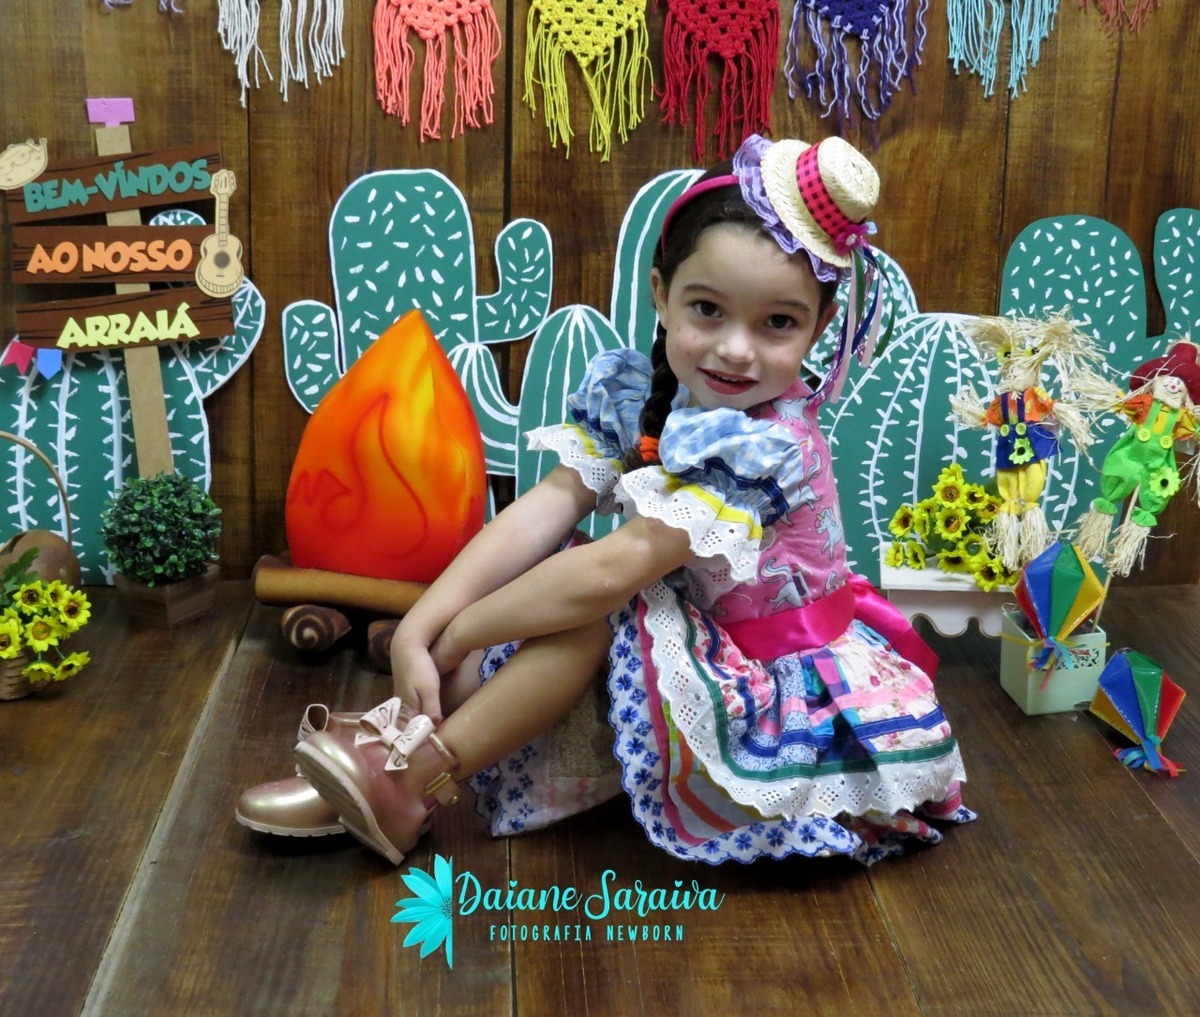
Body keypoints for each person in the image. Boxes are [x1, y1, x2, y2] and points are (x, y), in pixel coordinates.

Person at [243, 133, 975, 866]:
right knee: (545, 576)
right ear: (661, 294)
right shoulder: (648, 395)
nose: (735, 349)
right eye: (707, 309)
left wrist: (463, 629)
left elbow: (608, 573)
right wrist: (420, 625)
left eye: (777, 322)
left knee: (595, 603)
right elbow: (547, 507)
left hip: (771, 685)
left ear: (818, 325)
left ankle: (415, 781)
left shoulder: (768, 444)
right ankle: (398, 744)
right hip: (694, 651)